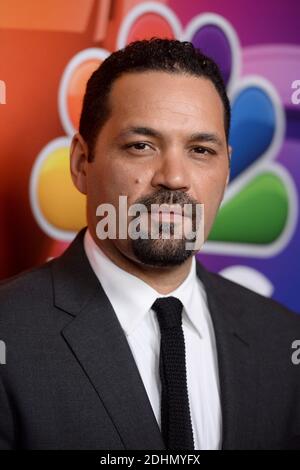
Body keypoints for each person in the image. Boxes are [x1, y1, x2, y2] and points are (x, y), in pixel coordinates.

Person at [0, 38, 299, 450]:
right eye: (141, 146)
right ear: (80, 164)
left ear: (227, 170)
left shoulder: (283, 342)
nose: (174, 177)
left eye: (200, 149)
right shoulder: (9, 335)